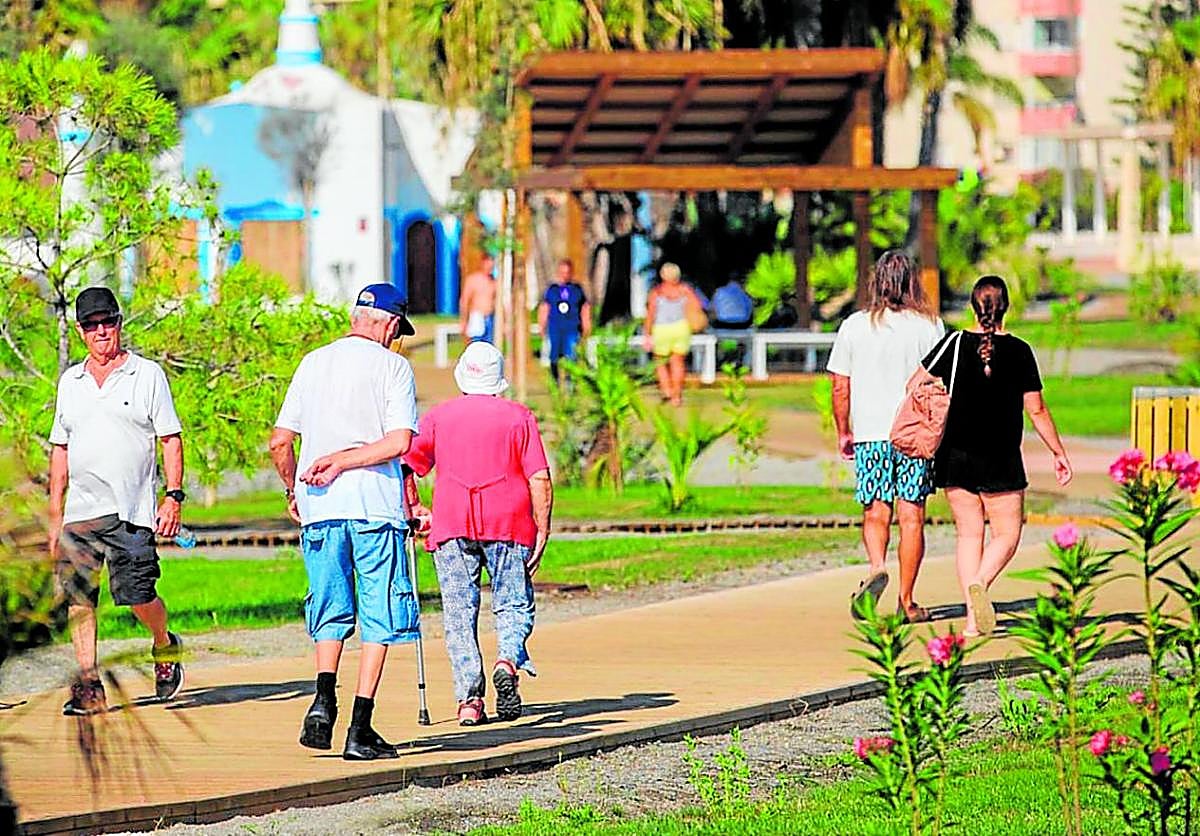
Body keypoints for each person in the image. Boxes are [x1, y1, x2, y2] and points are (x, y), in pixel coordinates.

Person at [269, 283, 420, 761]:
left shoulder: (313, 362)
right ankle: (360, 726)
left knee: (330, 607)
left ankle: (321, 698)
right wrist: (347, 461)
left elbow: (278, 441)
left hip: (320, 508)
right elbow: (399, 442)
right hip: (374, 507)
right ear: (392, 325)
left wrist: (294, 487)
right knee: (380, 615)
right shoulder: (394, 367)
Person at [49, 286, 186, 716]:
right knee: (79, 598)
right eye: (92, 325)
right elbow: (60, 448)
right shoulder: (70, 382)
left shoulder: (147, 375)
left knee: (137, 594)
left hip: (131, 510)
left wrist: (173, 497)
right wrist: (55, 515)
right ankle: (89, 684)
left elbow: (170, 439)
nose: (101, 331)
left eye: (108, 322)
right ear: (81, 331)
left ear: (119, 323)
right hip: (81, 512)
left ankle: (164, 645)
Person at [404, 341, 553, 727]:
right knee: (514, 603)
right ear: (498, 381)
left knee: (458, 613)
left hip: (452, 523)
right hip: (510, 522)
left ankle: (469, 700)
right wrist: (543, 526)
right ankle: (507, 659)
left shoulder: (438, 417)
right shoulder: (519, 417)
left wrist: (415, 508)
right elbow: (539, 477)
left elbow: (407, 466)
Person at [923, 275, 1072, 636]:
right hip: (1001, 457)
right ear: (1005, 307)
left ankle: (974, 621)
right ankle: (981, 583)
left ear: (974, 307)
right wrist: (1058, 452)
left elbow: (917, 383)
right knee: (1007, 534)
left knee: (969, 536)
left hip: (955, 456)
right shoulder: (1019, 351)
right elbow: (1036, 409)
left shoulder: (954, 344)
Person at [827, 250, 945, 623]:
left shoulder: (855, 326)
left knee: (876, 511)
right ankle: (907, 601)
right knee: (912, 518)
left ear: (876, 282)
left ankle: (877, 565)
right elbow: (942, 383)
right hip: (914, 435)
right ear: (914, 282)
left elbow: (840, 387)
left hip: (871, 434)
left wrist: (844, 430)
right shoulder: (931, 327)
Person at [644, 262, 705, 406]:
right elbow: (697, 306)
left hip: (661, 329)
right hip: (681, 327)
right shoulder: (685, 290)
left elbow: (651, 314)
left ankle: (666, 390)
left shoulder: (657, 292)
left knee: (660, 362)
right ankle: (676, 395)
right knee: (677, 362)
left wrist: (647, 333)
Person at [538, 259, 592, 382]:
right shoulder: (552, 290)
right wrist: (542, 325)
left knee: (571, 354)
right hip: (555, 327)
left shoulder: (577, 289)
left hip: (572, 327)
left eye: (567, 272)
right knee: (554, 355)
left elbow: (585, 307)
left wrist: (586, 324)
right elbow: (545, 307)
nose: (565, 275)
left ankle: (569, 381)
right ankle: (555, 380)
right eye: (562, 272)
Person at [459, 252, 497, 344]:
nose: (490, 267)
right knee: (476, 344)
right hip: (477, 317)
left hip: (490, 318)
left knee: (489, 346)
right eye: (488, 263)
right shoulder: (473, 280)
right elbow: (465, 300)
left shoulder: (494, 282)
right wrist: (464, 320)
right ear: (483, 263)